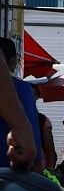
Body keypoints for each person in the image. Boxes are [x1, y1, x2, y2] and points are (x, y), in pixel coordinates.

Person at [0, 37, 42, 172]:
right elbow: (31, 130)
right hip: (10, 169)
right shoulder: (21, 88)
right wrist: (38, 164)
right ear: (12, 61)